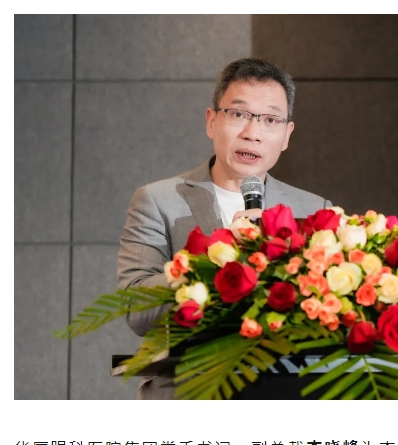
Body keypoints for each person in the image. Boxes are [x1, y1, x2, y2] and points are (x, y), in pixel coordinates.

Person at [117, 57, 332, 399]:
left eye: (270, 120)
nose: (253, 133)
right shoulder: (158, 200)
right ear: (212, 121)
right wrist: (220, 256)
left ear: (286, 135)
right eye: (239, 114)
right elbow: (136, 310)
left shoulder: (316, 211)